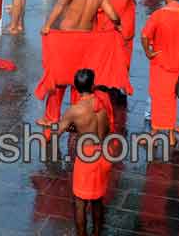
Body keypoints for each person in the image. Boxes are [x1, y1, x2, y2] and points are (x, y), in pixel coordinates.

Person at [37, 0, 120, 126]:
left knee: (59, 79)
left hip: (66, 38)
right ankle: (77, 118)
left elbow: (59, 6)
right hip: (85, 40)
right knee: (79, 80)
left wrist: (47, 25)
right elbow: (114, 16)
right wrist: (117, 24)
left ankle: (51, 117)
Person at [58, 68, 112, 236]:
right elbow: (107, 129)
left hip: (87, 157)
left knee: (80, 202)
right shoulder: (102, 105)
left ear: (75, 87)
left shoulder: (75, 110)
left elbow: (54, 134)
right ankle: (97, 233)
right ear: (93, 85)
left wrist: (69, 128)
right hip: (103, 154)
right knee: (97, 200)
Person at [140, 0, 179, 145]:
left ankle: (154, 135)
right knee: (171, 98)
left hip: (160, 62)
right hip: (177, 63)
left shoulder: (159, 15)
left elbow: (145, 36)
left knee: (158, 97)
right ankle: (170, 134)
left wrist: (148, 52)